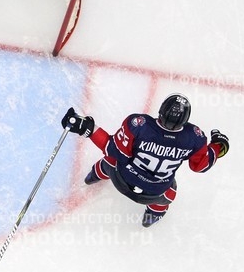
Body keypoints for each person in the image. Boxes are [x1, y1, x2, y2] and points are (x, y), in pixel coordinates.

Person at [62, 93, 229, 227]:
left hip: (121, 180)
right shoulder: (194, 137)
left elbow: (111, 148)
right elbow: (201, 166)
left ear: (161, 110)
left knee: (110, 160)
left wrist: (87, 128)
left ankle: (93, 176)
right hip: (154, 194)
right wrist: (218, 146)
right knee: (170, 192)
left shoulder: (139, 124)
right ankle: (152, 217)